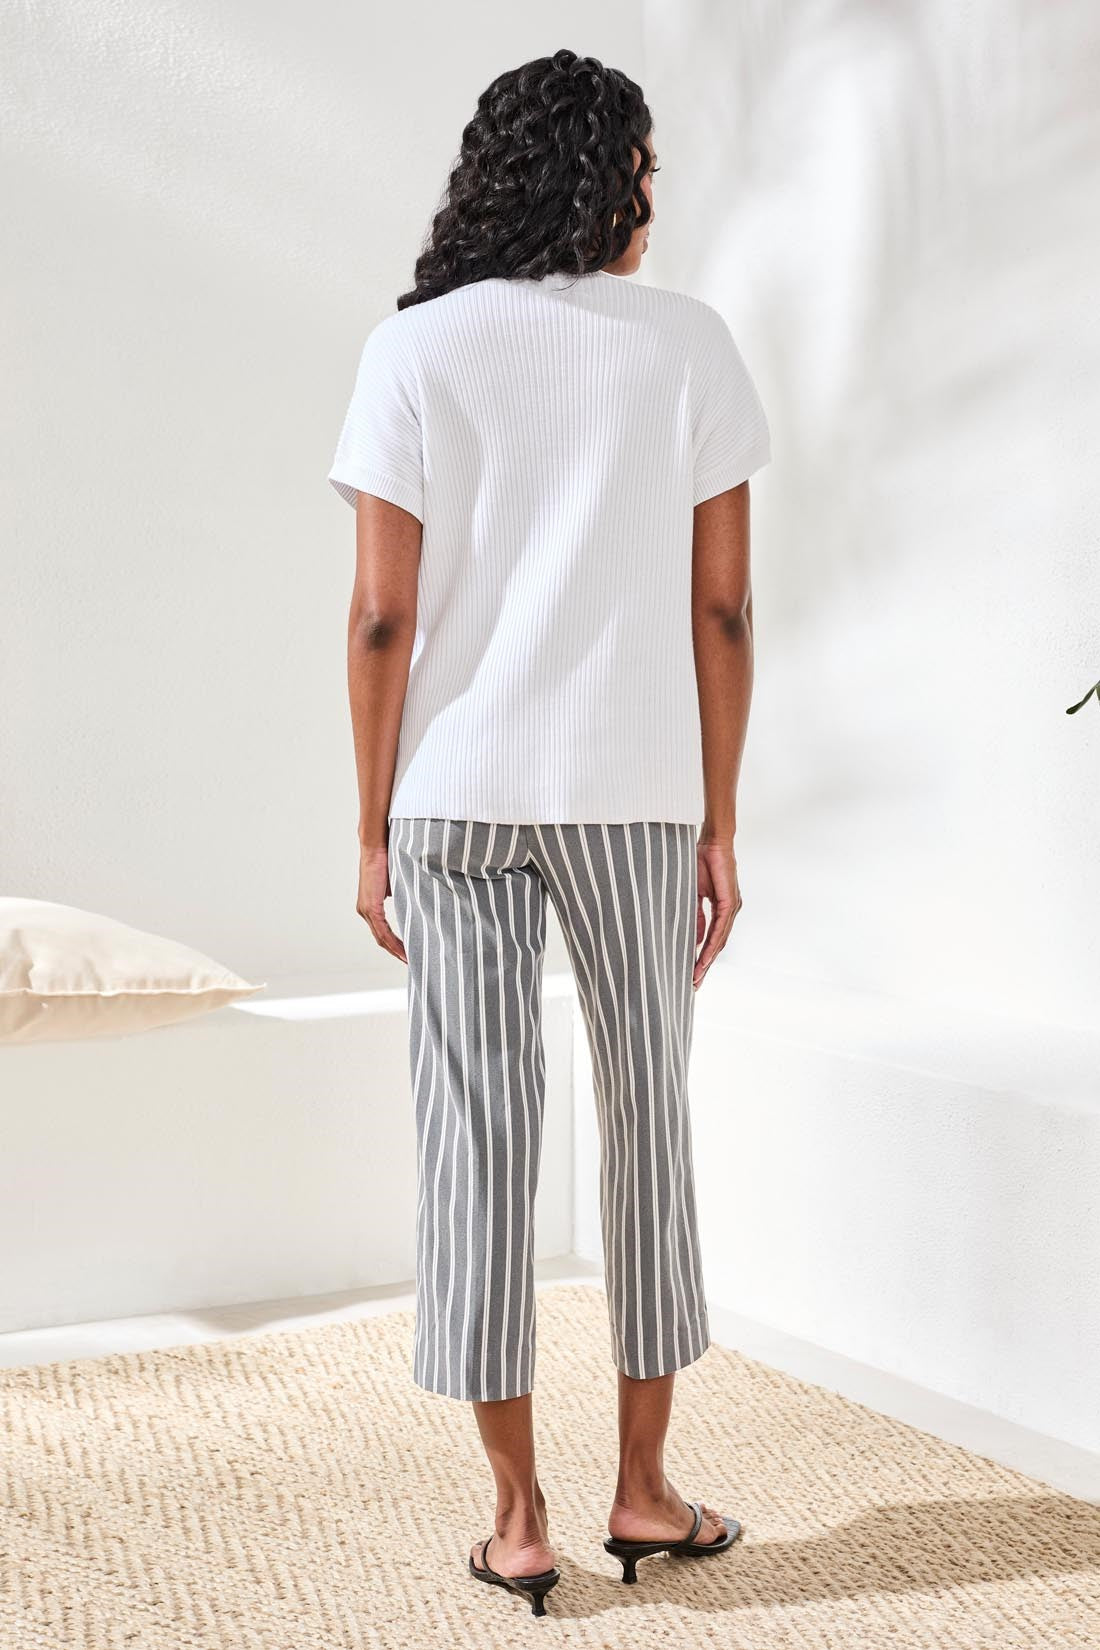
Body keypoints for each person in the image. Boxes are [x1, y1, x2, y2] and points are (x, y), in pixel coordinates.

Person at [327, 46, 770, 1618]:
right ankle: (644, 1488)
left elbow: (382, 618)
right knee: (648, 1119)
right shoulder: (687, 346)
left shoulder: (413, 348)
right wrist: (721, 824)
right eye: (645, 170)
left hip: (451, 794)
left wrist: (371, 828)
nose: (653, 199)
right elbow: (724, 608)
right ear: (608, 180)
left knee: (476, 1134)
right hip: (635, 793)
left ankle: (516, 1518)